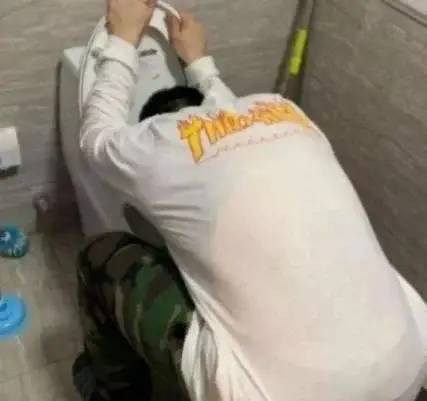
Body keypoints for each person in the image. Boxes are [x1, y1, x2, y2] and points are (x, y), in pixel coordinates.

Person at [75, 0, 427, 400]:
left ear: (156, 122)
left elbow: (96, 138)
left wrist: (123, 39)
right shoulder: (285, 112)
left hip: (275, 394)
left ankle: (111, 393)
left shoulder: (157, 142)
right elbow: (230, 116)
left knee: (99, 257)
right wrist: (200, 62)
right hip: (408, 368)